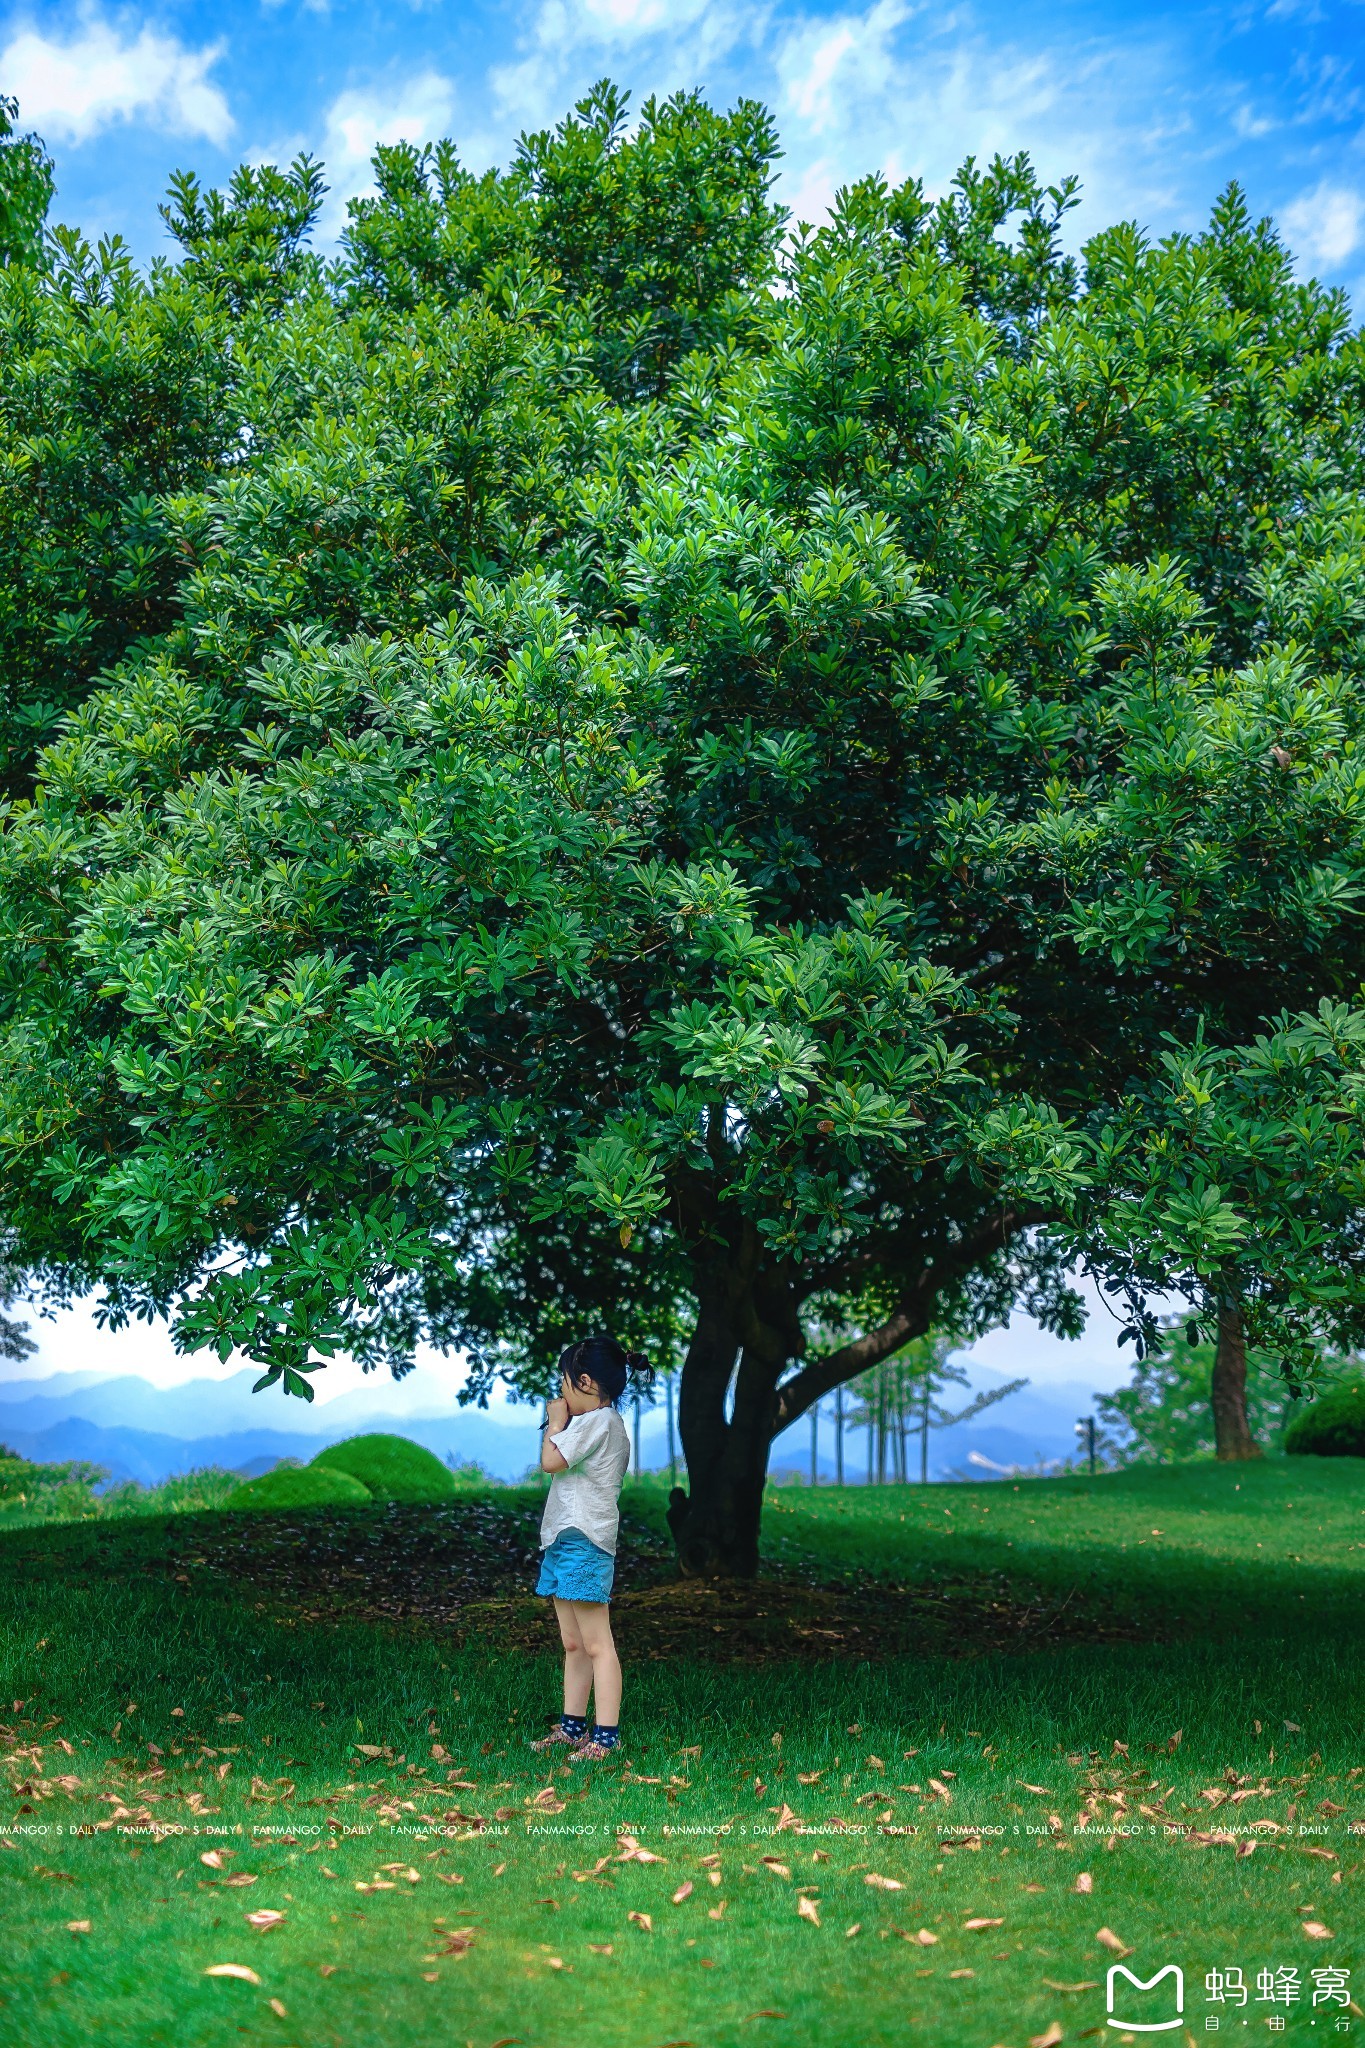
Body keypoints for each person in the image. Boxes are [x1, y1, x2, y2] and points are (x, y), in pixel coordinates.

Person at [529, 1334, 654, 1762]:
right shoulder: (592, 1424)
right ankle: (571, 1729)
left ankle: (605, 1738)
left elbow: (550, 1462)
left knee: (598, 1643)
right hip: (565, 1540)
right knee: (574, 1643)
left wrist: (554, 1421)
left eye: (563, 1384)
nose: (560, 1393)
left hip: (585, 1541)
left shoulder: (599, 1423)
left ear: (584, 1381)